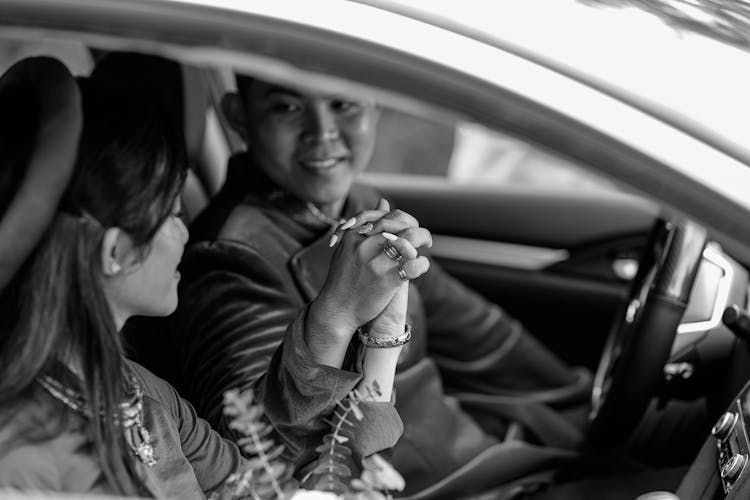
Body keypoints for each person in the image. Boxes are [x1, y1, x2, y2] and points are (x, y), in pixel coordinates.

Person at [144, 72, 596, 498]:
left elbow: (483, 337)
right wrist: (336, 315)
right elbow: (269, 464)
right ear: (239, 116)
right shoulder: (229, 258)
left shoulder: (360, 205)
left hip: (494, 464)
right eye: (287, 107)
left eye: (342, 103)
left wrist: (591, 402)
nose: (322, 132)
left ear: (374, 103)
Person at [0, 57, 424, 497]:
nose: (188, 232)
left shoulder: (143, 395)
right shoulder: (22, 464)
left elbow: (278, 492)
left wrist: (383, 340)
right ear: (115, 252)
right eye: (172, 213)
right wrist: (338, 319)